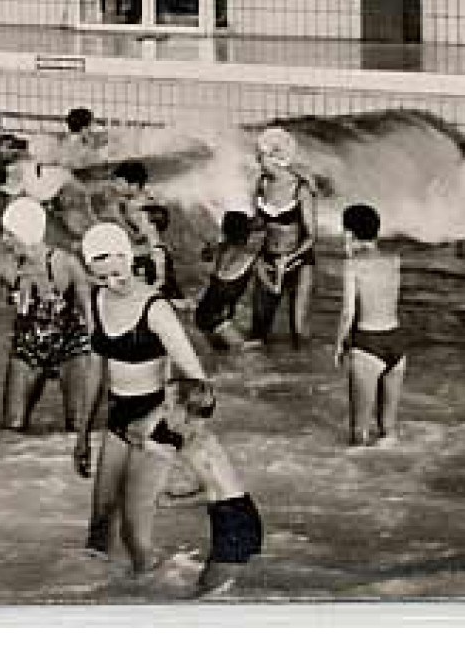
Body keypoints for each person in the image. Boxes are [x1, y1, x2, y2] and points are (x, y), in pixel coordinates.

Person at [74, 223, 209, 576]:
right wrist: (83, 434)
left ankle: (161, 598)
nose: (113, 283)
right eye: (102, 278)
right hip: (118, 417)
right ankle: (91, 597)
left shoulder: (155, 307)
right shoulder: (96, 299)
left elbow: (198, 382)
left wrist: (156, 421)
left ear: (129, 259)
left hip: (155, 422)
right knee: (101, 519)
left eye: (117, 273)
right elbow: (94, 369)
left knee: (134, 532)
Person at [0, 198, 95, 432]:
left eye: (9, 234)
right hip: (27, 345)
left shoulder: (66, 263)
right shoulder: (2, 268)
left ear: (26, 234)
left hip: (71, 343)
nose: (4, 240)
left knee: (78, 426)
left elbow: (89, 309)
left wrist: (102, 353)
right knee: (12, 428)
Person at [137, 379, 263, 598]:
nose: (162, 412)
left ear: (184, 410)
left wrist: (172, 502)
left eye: (166, 406)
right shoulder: (202, 438)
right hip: (242, 515)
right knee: (217, 590)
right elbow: (140, 436)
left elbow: (212, 493)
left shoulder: (193, 447)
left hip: (232, 521)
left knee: (205, 594)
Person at [334, 204, 407, 447]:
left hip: (368, 343)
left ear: (349, 232)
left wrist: (338, 345)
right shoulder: (394, 260)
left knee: (359, 434)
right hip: (396, 340)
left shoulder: (352, 264)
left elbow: (348, 311)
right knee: (388, 431)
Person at [249, 127, 316, 348]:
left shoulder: (300, 188)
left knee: (299, 331)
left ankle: (305, 377)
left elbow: (311, 237)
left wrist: (289, 258)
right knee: (258, 331)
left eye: (260, 156)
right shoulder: (261, 184)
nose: (258, 161)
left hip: (299, 261)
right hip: (268, 259)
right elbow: (259, 223)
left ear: (274, 156)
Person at [101, 161, 182, 304]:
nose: (115, 186)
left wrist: (118, 218)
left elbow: (140, 238)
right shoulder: (145, 198)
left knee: (150, 299)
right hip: (158, 255)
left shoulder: (136, 209)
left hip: (151, 259)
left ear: (134, 185)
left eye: (119, 183)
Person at [194, 211, 262, 352]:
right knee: (214, 318)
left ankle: (235, 343)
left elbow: (213, 265)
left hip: (213, 299)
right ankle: (224, 346)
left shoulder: (224, 249)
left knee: (205, 320)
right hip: (225, 303)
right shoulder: (249, 252)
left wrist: (209, 248)